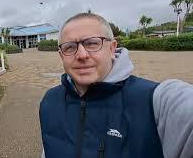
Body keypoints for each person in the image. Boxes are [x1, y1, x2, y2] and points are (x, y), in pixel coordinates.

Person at [39, 12, 193, 158]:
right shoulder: (50, 102)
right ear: (61, 55)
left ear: (112, 48)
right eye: (70, 47)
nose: (81, 55)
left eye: (92, 43)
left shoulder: (157, 101)